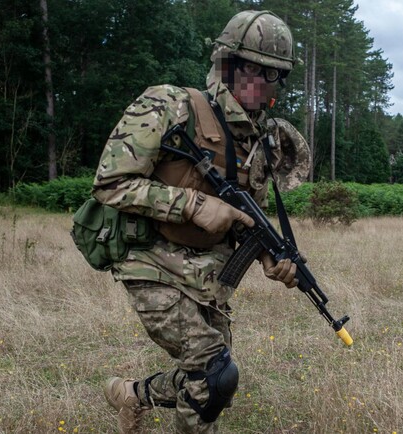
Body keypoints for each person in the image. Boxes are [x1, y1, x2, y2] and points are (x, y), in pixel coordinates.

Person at [94, 10, 310, 434]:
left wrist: (270, 257)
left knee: (215, 383)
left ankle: (131, 395)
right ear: (225, 64)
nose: (261, 83)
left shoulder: (258, 143)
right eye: (252, 68)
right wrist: (192, 205)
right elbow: (110, 184)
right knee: (213, 373)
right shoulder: (169, 104)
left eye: (273, 74)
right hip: (150, 260)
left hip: (208, 277)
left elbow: (246, 217)